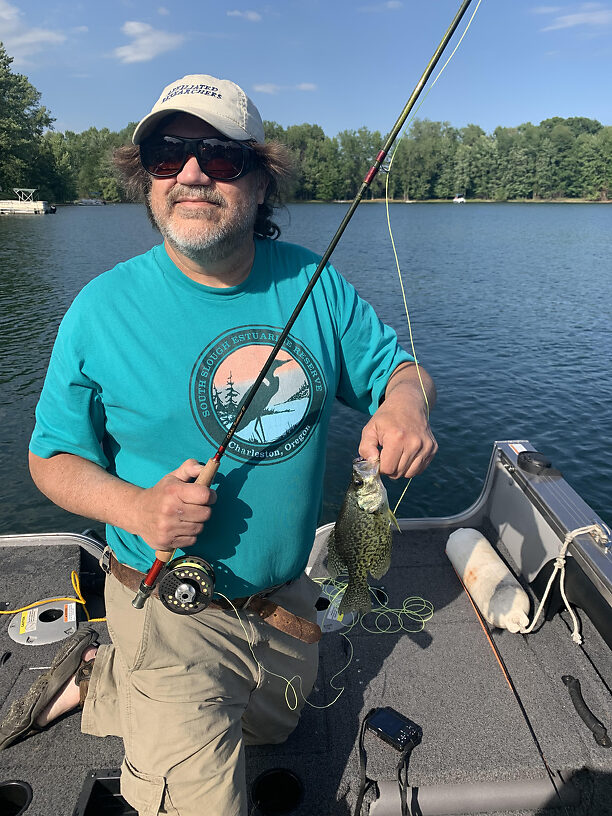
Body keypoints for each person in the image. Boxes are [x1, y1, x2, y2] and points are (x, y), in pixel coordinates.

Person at [0, 74, 437, 815]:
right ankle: (135, 669)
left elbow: (402, 372)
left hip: (283, 603)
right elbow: (51, 458)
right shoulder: (100, 309)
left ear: (262, 182)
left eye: (220, 157)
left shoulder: (316, 284)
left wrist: (406, 406)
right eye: (167, 155)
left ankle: (102, 678)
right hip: (168, 606)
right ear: (147, 178)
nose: (192, 173)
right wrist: (137, 508)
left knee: (274, 729)